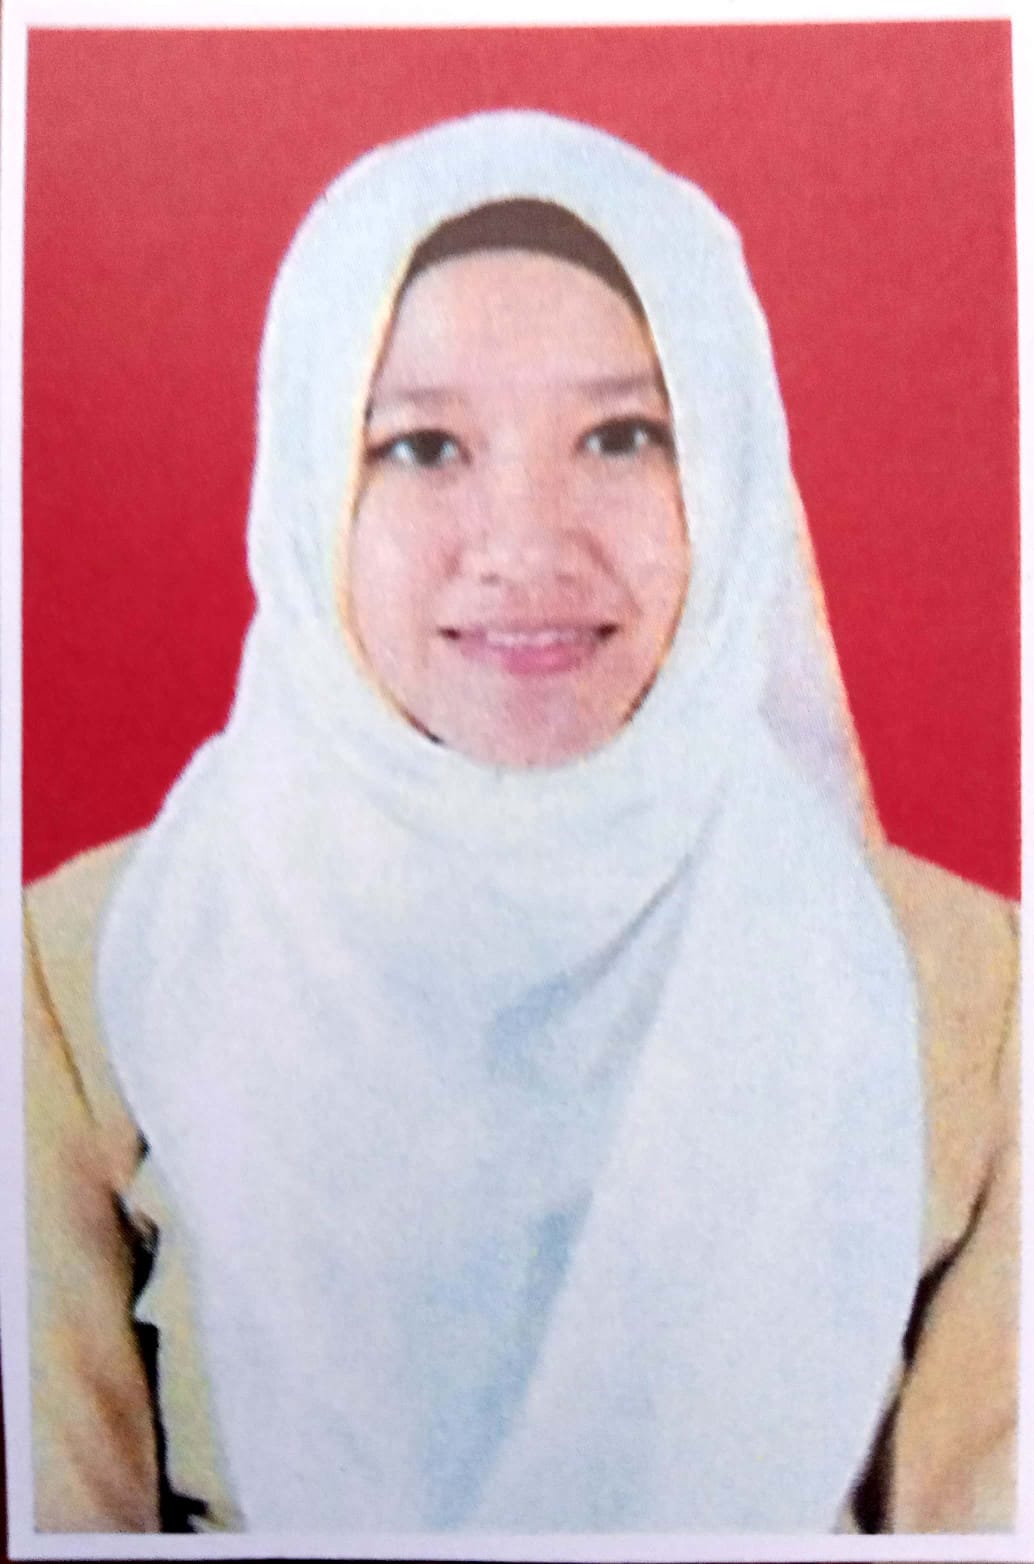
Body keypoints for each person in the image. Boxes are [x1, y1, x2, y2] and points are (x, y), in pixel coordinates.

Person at [23, 110, 1018, 1536]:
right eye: (422, 446)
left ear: (730, 472)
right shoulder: (80, 977)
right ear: (307, 490)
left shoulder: (972, 991)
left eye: (623, 436)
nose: (528, 543)